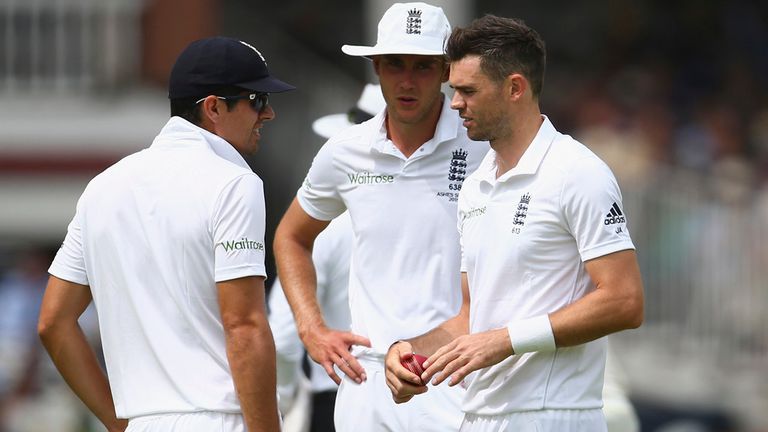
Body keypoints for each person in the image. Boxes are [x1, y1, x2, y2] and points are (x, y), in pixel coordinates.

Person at [384, 15, 644, 432]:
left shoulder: (578, 172)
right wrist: (410, 351)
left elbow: (624, 301)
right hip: (478, 417)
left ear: (515, 88)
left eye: (468, 91)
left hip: (556, 418)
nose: (454, 104)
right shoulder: (473, 187)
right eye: (454, 91)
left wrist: (505, 341)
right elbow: (472, 316)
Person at [37, 36, 295, 432]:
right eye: (257, 99)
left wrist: (119, 422)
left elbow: (54, 322)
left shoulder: (102, 187)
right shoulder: (234, 183)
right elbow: (243, 327)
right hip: (221, 421)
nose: (269, 113)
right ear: (213, 108)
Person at [273, 3, 489, 431]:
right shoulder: (343, 150)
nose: (407, 80)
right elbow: (291, 237)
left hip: (457, 380)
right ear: (375, 66)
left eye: (423, 66)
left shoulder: (485, 143)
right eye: (394, 64)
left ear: (446, 70)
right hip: (366, 384)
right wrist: (312, 328)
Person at [269, 84, 384, 432]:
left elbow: (284, 335)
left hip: (339, 401)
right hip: (427, 395)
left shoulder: (328, 227)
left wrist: (285, 399)